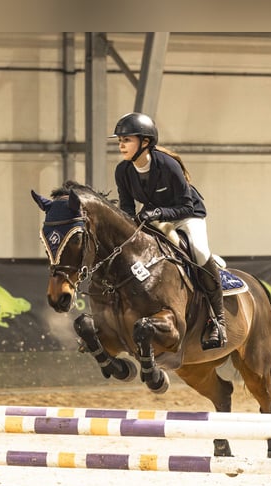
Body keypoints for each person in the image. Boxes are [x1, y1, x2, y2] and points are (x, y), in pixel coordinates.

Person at [110, 111, 226, 350]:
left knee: (198, 251)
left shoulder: (168, 165)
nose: (121, 145)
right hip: (156, 217)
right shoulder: (123, 171)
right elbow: (127, 208)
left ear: (145, 142)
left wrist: (157, 213)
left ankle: (218, 320)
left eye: (127, 140)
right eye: (120, 140)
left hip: (187, 215)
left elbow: (184, 205)